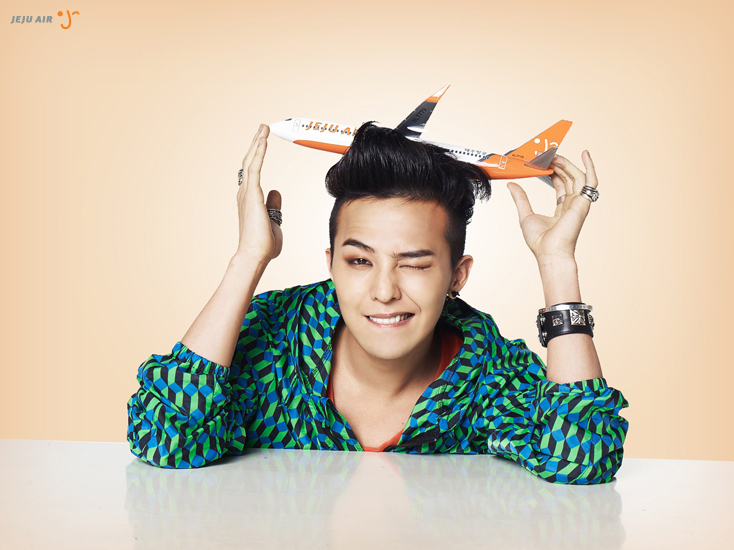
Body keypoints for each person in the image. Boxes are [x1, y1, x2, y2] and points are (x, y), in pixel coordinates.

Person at [126, 121, 629, 484]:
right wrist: (248, 259)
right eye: (359, 261)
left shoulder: (490, 376)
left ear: (457, 276)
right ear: (331, 264)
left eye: (415, 264)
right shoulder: (274, 340)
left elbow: (582, 457)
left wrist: (557, 265)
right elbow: (164, 435)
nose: (384, 291)